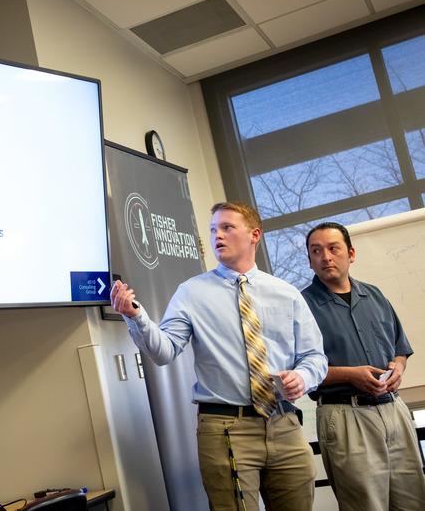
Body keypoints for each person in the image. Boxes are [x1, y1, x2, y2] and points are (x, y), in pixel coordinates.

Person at [110, 201, 327, 511]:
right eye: (213, 230)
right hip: (226, 427)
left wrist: (302, 377)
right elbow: (164, 351)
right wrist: (135, 316)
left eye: (227, 227)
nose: (217, 236)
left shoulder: (286, 292)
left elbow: (315, 357)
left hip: (285, 425)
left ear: (254, 234)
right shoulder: (191, 292)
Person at [301, 221, 425, 510]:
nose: (325, 257)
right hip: (345, 415)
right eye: (316, 251)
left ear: (351, 254)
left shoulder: (375, 296)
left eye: (333, 249)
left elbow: (399, 348)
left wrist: (398, 367)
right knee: (366, 505)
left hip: (394, 409)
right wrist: (349, 375)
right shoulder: (301, 307)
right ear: (310, 260)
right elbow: (298, 373)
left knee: (414, 501)